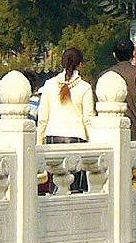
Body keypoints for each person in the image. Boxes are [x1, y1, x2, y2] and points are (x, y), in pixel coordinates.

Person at [39, 49, 95, 194]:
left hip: (53, 138)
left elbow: (43, 118)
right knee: (75, 189)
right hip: (76, 138)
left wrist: (38, 143)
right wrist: (94, 143)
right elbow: (88, 119)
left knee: (55, 189)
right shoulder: (85, 88)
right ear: (80, 65)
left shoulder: (49, 85)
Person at [107, 38, 136, 141]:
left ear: (114, 55)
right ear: (133, 54)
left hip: (109, 131)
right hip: (134, 130)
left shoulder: (106, 75)